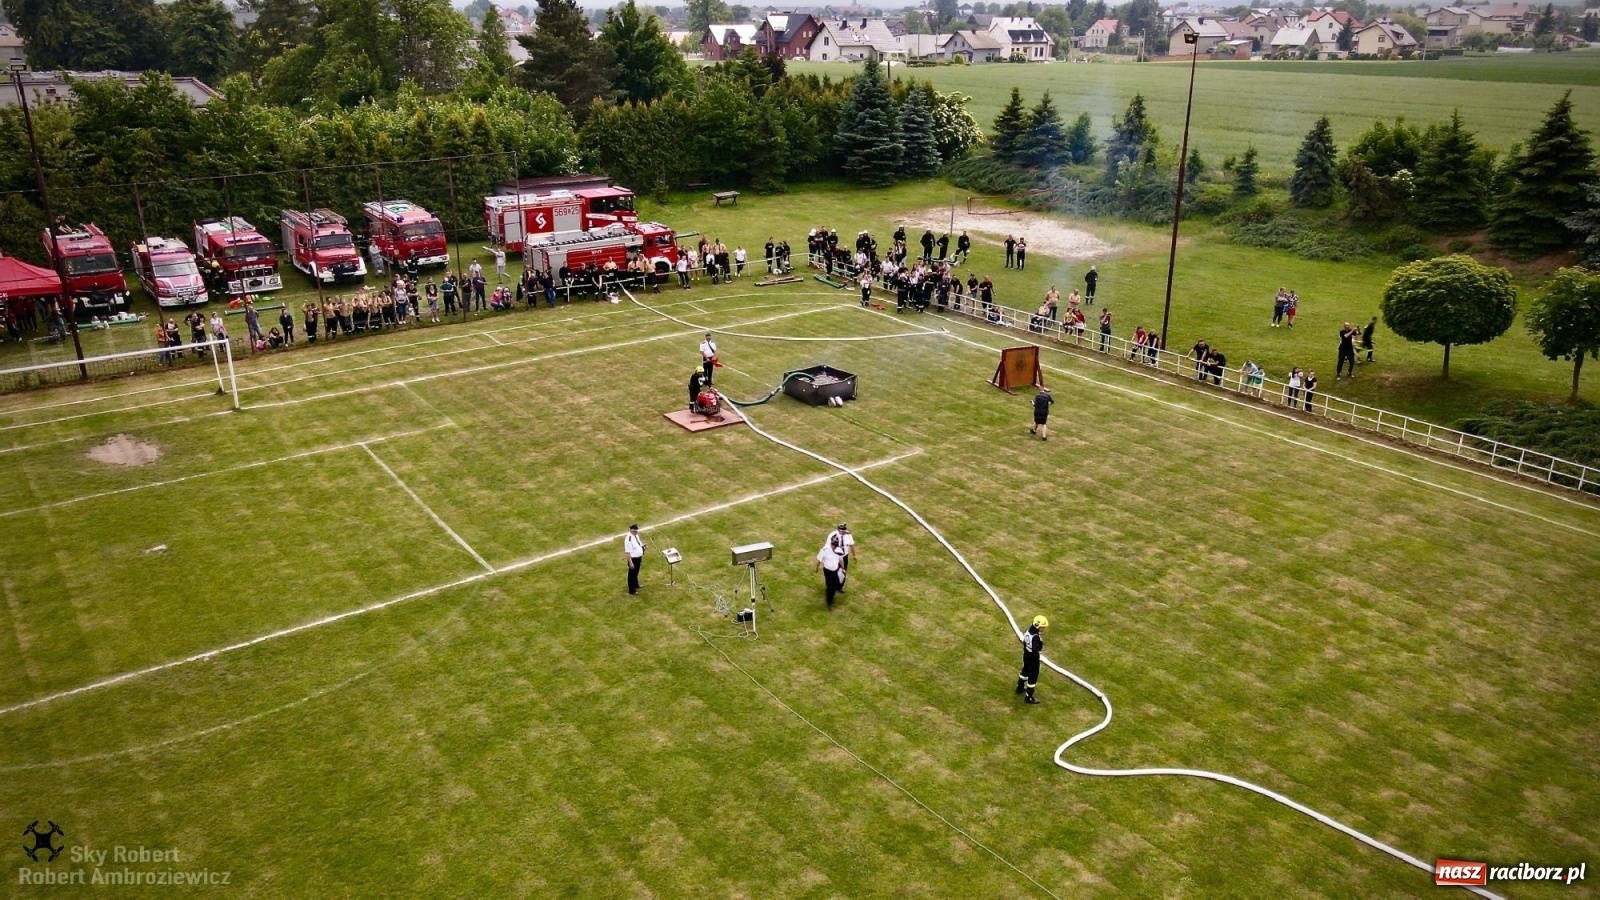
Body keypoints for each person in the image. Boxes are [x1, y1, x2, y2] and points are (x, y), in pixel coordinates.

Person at [1014, 615, 1048, 704]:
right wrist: (1037, 655)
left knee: (1025, 670)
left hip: (1026, 655)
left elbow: (1025, 642)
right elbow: (1036, 649)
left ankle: (1019, 687)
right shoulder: (1036, 637)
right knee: (1033, 676)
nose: (1043, 629)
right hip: (1033, 659)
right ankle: (1029, 697)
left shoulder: (1029, 631)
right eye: (1042, 627)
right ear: (1038, 626)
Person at [814, 530, 846, 608]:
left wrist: (843, 568)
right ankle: (829, 602)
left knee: (834, 586)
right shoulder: (825, 550)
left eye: (835, 545)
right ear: (831, 543)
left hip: (835, 570)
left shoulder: (839, 550)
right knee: (830, 587)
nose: (834, 546)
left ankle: (831, 598)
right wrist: (817, 568)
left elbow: (840, 560)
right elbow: (819, 559)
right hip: (827, 571)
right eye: (833, 545)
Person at [622, 524, 645, 594]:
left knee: (636, 572)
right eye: (634, 531)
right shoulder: (628, 539)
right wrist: (630, 562)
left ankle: (636, 584)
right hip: (633, 559)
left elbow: (638, 544)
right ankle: (631, 590)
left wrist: (643, 546)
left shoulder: (636, 535)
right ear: (631, 530)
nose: (636, 532)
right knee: (632, 574)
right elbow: (628, 552)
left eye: (636, 531)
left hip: (638, 558)